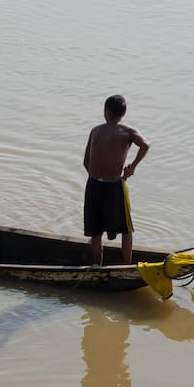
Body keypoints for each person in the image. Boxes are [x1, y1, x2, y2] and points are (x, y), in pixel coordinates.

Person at [83, 94, 149, 265]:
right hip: (115, 185)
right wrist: (132, 166)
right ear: (123, 113)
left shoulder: (95, 131)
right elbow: (145, 145)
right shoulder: (127, 131)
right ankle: (126, 266)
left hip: (94, 184)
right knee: (126, 229)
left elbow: (85, 162)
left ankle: (97, 266)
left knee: (96, 231)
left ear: (106, 112)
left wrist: (97, 177)